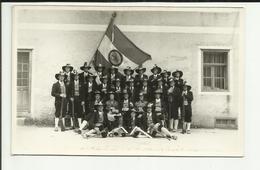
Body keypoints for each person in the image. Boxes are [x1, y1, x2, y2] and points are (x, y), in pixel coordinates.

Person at [62, 64, 75, 129]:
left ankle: (73, 125)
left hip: (71, 94)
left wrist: (72, 96)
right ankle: (63, 125)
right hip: (64, 94)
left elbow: (74, 86)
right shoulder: (63, 75)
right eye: (66, 68)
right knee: (64, 107)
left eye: (68, 68)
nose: (67, 69)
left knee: (71, 108)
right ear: (65, 69)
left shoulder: (73, 75)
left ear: (70, 69)